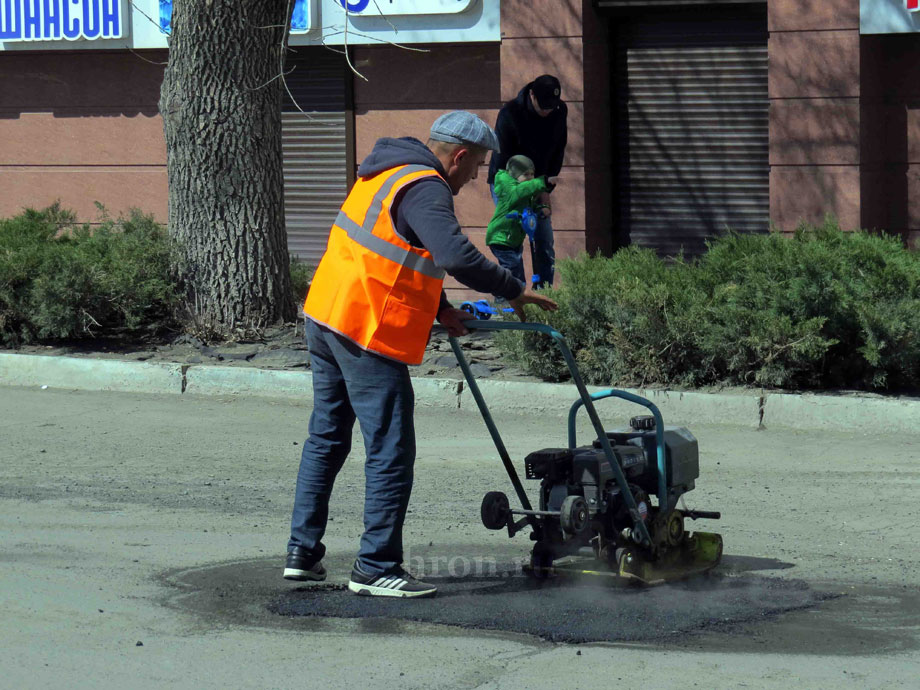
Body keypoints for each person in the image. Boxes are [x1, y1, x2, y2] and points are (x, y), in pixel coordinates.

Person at [283, 111, 557, 598]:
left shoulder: (387, 171)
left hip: (326, 315)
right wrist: (513, 289)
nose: (474, 177)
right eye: (475, 168)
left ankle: (302, 554)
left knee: (327, 437)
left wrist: (441, 308)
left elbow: (396, 249)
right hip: (365, 327)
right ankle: (375, 567)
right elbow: (453, 255)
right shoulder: (427, 186)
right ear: (459, 156)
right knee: (390, 448)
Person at [488, 74, 567, 289]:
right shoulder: (510, 114)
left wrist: (544, 191)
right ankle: (514, 295)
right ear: (532, 94)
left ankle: (544, 294)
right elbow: (504, 164)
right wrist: (529, 190)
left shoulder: (559, 112)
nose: (547, 111)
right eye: (543, 106)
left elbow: (557, 152)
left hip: (538, 181)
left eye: (552, 106)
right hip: (508, 181)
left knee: (543, 237)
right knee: (511, 239)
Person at [486, 155, 553, 289]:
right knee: (513, 271)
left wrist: (541, 209)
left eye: (532, 174)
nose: (530, 178)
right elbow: (520, 191)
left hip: (513, 240)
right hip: (501, 238)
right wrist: (541, 182)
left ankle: (515, 295)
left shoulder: (526, 193)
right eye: (525, 174)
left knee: (516, 270)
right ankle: (504, 298)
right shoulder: (509, 191)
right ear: (514, 176)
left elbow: (530, 206)